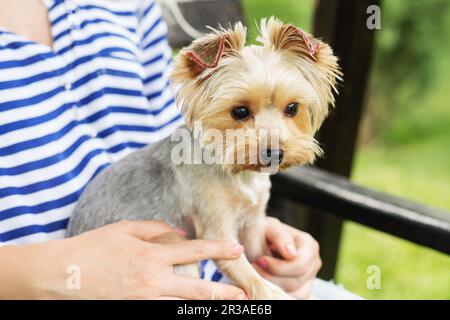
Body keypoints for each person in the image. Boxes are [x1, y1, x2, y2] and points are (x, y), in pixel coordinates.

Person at [0, 0, 357, 300]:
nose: (273, 144)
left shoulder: (122, 5)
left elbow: (188, 170)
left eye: (291, 110)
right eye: (241, 112)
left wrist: (259, 236)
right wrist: (57, 272)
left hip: (207, 275)